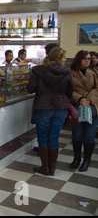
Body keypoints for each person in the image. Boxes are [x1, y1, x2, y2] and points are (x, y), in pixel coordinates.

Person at [27, 47, 72, 176]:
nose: (65, 60)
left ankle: (44, 167)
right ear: (59, 58)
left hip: (43, 107)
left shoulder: (38, 71)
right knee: (54, 137)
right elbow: (70, 92)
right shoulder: (67, 72)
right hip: (60, 108)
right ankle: (52, 168)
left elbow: (31, 88)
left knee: (42, 137)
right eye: (64, 57)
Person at [68, 50, 98, 172]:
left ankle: (86, 161)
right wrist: (79, 99)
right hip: (77, 107)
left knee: (89, 135)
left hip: (93, 107)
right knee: (77, 134)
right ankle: (77, 159)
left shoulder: (95, 72)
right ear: (78, 59)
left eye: (89, 59)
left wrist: (89, 100)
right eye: (84, 58)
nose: (87, 60)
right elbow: (68, 90)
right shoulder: (71, 73)